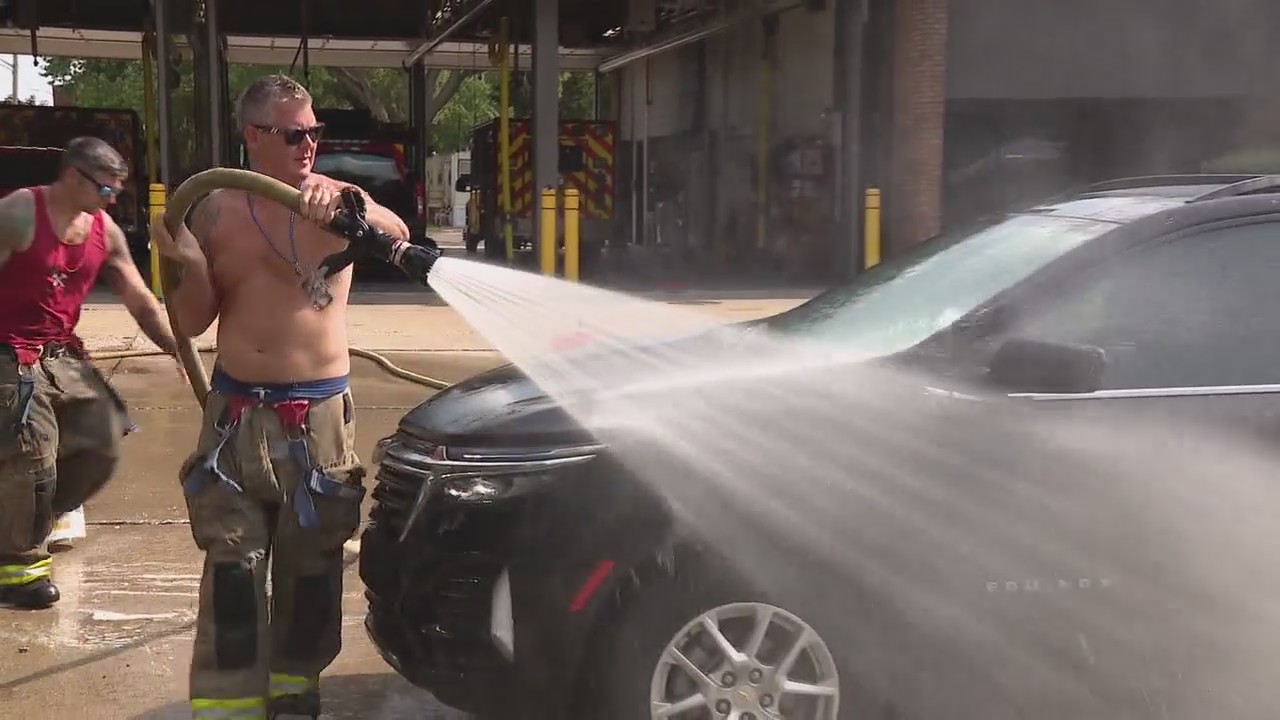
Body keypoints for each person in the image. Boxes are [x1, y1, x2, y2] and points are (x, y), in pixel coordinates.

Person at [151, 74, 411, 720]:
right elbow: (188, 324)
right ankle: (228, 702)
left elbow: (398, 232)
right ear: (253, 137)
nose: (308, 145)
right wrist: (192, 263)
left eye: (314, 133)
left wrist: (348, 204)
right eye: (294, 134)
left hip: (318, 420)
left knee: (312, 563)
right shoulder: (215, 209)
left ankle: (297, 687)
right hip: (237, 420)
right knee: (234, 567)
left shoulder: (341, 199)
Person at [0, 136, 180, 609]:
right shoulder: (20, 213)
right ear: (74, 177)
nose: (113, 199)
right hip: (8, 351)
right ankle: (18, 569)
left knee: (101, 441)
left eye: (117, 190)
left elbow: (141, 299)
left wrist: (178, 350)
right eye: (105, 189)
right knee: (33, 451)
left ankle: (32, 515)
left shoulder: (106, 231)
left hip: (61, 354)